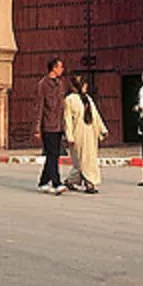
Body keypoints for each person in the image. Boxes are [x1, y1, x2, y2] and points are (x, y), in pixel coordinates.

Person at [63, 76, 108, 194]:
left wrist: (102, 129)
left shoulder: (87, 98)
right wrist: (69, 136)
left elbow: (95, 115)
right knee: (82, 160)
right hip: (78, 133)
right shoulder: (69, 99)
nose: (86, 87)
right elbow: (67, 119)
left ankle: (71, 181)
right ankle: (89, 183)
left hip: (90, 132)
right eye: (84, 84)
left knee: (89, 160)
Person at [34, 58, 68, 195]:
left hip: (59, 125)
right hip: (48, 125)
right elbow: (39, 107)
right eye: (60, 67)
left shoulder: (60, 84)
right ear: (54, 68)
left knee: (53, 155)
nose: (62, 69)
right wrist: (37, 128)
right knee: (53, 154)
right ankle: (56, 183)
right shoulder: (43, 84)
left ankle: (43, 182)